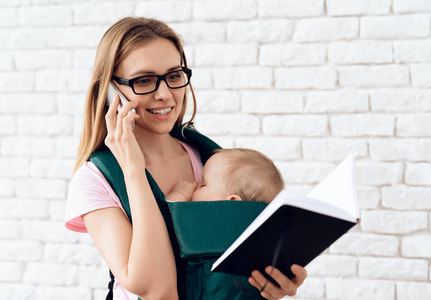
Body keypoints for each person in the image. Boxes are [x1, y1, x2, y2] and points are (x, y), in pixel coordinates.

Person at [65, 17, 307, 300]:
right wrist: (133, 169)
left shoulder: (209, 161)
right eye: (144, 80)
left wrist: (270, 283)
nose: (165, 94)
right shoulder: (95, 180)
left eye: (174, 76)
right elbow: (157, 290)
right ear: (111, 91)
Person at [166, 148, 285, 203]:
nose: (196, 184)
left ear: (232, 201)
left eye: (203, 185)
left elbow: (167, 219)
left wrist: (179, 194)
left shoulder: (211, 220)